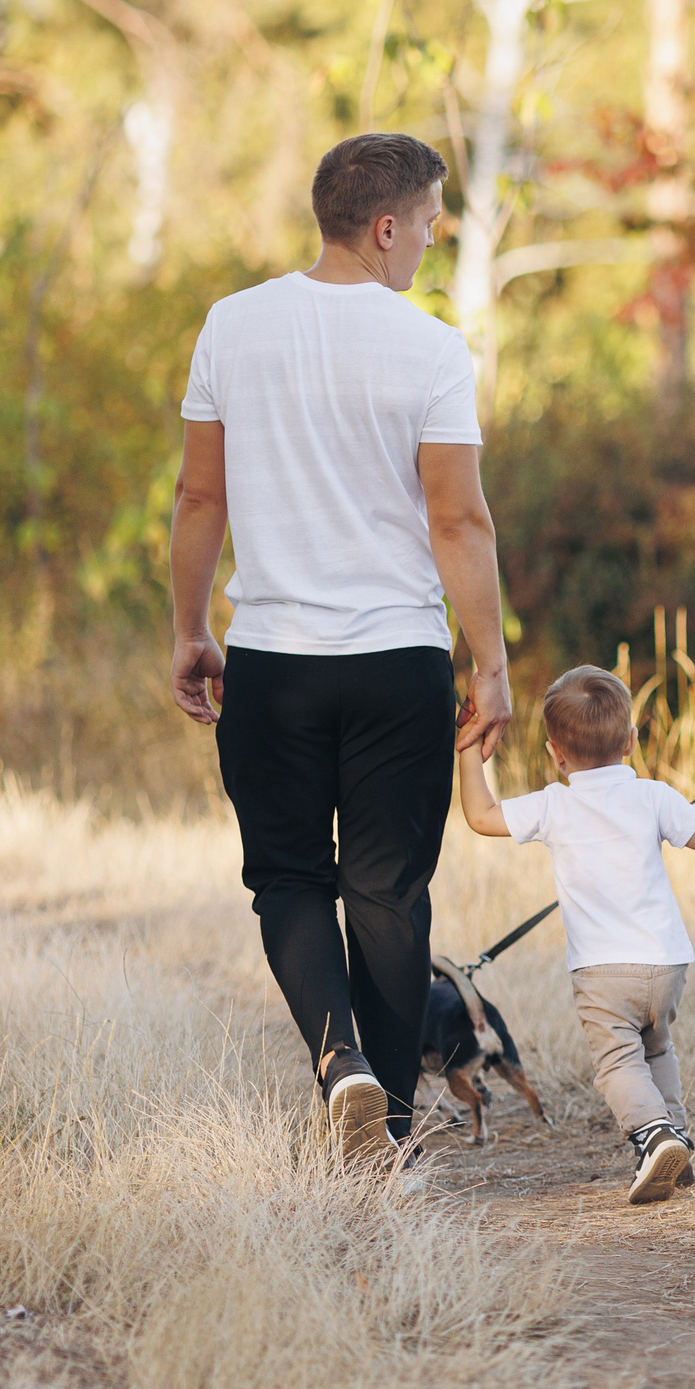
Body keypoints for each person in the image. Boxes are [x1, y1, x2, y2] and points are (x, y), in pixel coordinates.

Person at [168, 132, 513, 1170]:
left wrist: (191, 630)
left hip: (273, 660)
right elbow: (458, 520)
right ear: (386, 226)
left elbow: (198, 496)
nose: (433, 240)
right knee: (389, 897)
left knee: (287, 878)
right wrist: (491, 663)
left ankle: (340, 1063)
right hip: (396, 662)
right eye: (431, 223)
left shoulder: (232, 324)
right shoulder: (431, 348)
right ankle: (391, 1132)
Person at [457, 666, 695, 1204]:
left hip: (602, 972)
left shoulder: (554, 803)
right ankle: (676, 1138)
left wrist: (467, 749)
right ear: (632, 741)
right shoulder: (653, 795)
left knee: (618, 1061)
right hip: (666, 964)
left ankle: (654, 1135)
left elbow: (480, 815)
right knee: (656, 1050)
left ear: (555, 754)